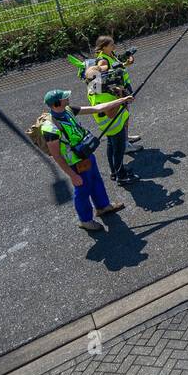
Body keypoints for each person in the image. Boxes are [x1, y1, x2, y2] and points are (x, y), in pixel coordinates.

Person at [40, 88, 129, 232]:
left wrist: (122, 100)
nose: (67, 98)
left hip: (85, 153)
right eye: (64, 98)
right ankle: (85, 220)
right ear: (56, 104)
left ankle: (103, 206)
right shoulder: (50, 128)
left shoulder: (68, 109)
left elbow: (96, 108)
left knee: (96, 180)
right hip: (75, 163)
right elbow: (56, 155)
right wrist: (72, 175)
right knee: (82, 190)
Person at [82, 35, 141, 187]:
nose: (112, 78)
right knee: (118, 149)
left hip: (108, 123)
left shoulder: (95, 86)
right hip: (114, 123)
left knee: (111, 146)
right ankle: (121, 175)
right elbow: (111, 112)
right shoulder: (105, 92)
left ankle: (114, 172)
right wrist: (121, 95)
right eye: (109, 76)